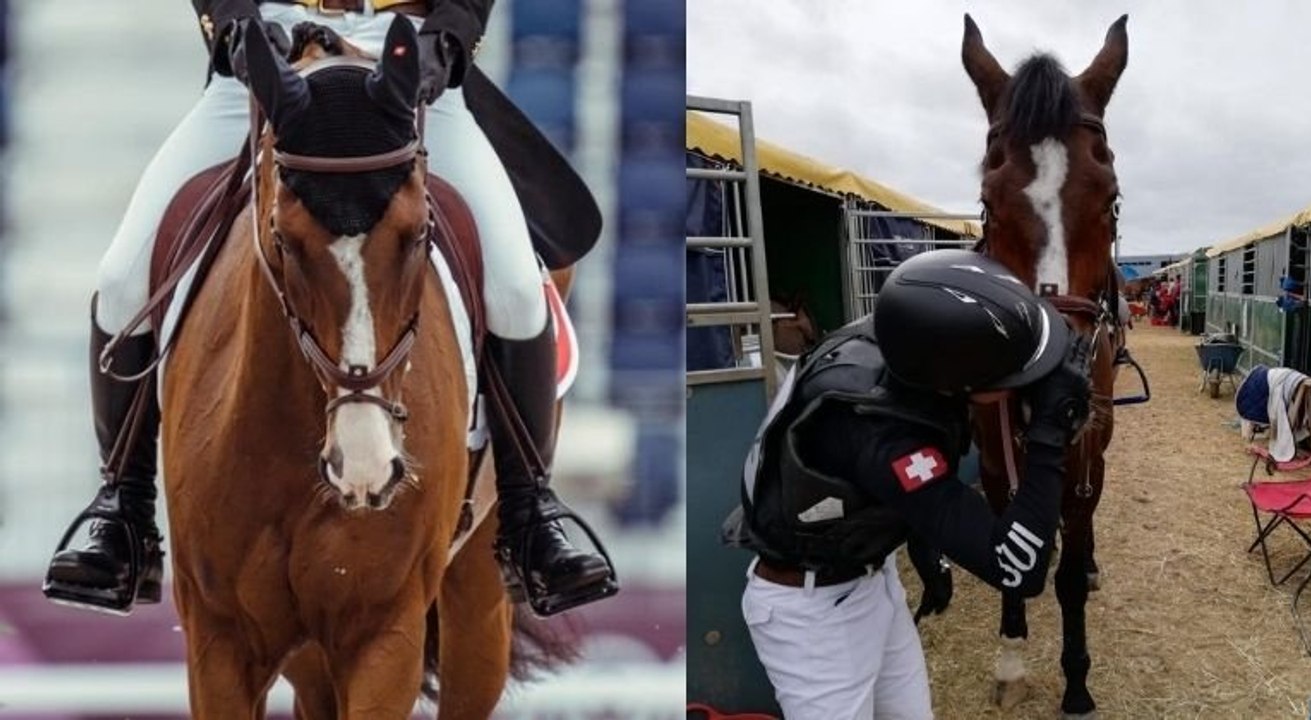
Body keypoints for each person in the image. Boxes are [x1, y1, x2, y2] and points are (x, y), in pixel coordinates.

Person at [43, 0, 614, 618]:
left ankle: (529, 517)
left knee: (517, 289)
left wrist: (448, 38)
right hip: (273, 53)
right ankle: (125, 510)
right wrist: (235, 28)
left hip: (404, 56)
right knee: (122, 280)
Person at [722, 249, 1092, 719]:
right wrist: (1048, 435)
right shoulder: (882, 434)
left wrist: (922, 544)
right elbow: (1019, 570)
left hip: (869, 576)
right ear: (956, 379)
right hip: (811, 615)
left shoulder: (893, 342)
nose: (1026, 386)